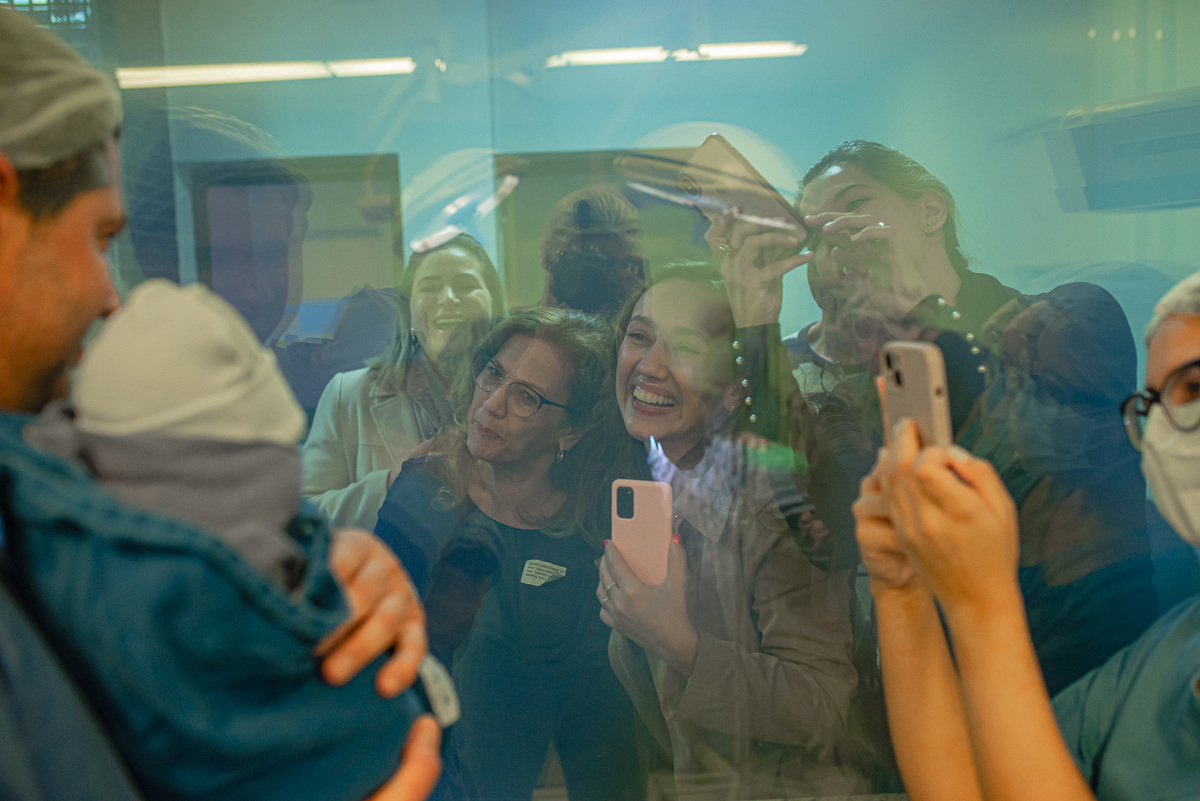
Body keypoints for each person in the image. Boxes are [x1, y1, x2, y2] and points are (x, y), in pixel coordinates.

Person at [0, 9, 437, 800]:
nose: (110, 294)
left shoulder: (46, 488)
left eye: (279, 252)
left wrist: (303, 574)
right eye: (101, 238)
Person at [714, 139, 1158, 693]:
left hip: (1089, 680)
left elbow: (1045, 454)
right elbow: (830, 538)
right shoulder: (873, 389)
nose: (838, 235)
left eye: (855, 204)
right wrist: (755, 335)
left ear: (930, 210)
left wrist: (918, 305)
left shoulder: (1067, 319)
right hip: (943, 692)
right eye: (816, 231)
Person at [857, 269, 1200, 801]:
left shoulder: (1121, 607)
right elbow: (974, 786)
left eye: (1194, 386)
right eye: (1152, 404)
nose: (1168, 432)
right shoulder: (1167, 656)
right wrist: (902, 590)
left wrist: (983, 607)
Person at [597, 262, 863, 798]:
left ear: (736, 388)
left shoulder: (773, 504)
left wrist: (681, 645)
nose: (649, 366)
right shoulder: (650, 486)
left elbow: (825, 707)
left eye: (686, 347)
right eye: (640, 337)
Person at [374, 307, 643, 801]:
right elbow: (381, 653)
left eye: (526, 398)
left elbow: (603, 725)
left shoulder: (593, 535)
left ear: (571, 432)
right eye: (494, 374)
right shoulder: (422, 491)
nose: (491, 404)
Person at [302, 233, 502, 530]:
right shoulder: (349, 394)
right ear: (409, 312)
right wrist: (391, 484)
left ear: (494, 304)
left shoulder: (523, 397)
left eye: (466, 285)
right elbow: (303, 516)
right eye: (430, 287)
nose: (448, 298)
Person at [540, 187, 645, 318]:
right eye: (582, 261)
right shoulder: (510, 333)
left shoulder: (634, 334)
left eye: (610, 264)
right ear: (548, 256)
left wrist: (643, 309)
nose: (593, 280)